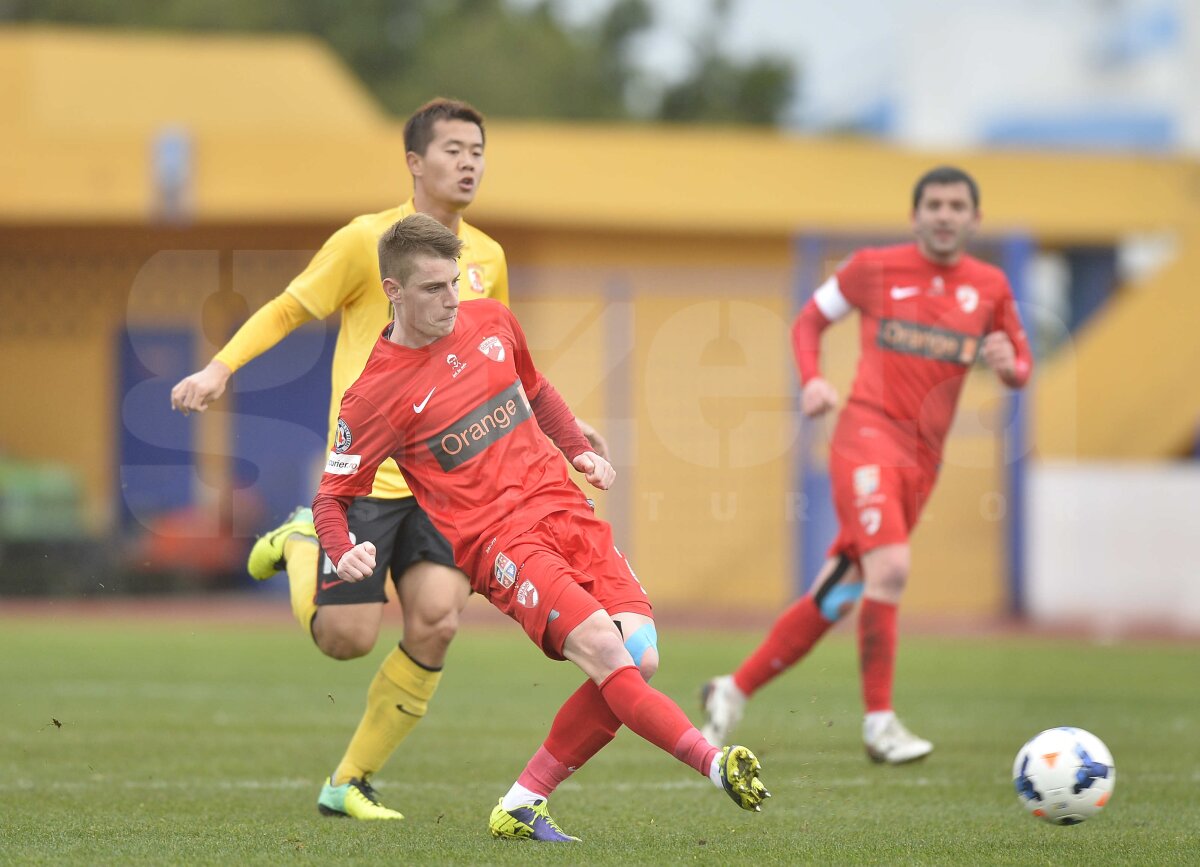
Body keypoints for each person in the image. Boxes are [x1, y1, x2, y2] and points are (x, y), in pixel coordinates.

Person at [170, 98, 605, 820]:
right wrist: (219, 368)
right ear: (414, 162)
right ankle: (303, 538)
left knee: (436, 619)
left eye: (478, 150)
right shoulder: (364, 242)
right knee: (346, 639)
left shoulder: (486, 257)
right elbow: (287, 308)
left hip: (448, 482)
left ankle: (348, 781)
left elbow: (493, 361)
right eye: (454, 149)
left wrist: (563, 427)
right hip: (369, 477)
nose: (470, 162)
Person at [313, 213, 770, 841]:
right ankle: (714, 763)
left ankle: (523, 802)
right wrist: (342, 551)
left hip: (565, 511)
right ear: (393, 291)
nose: (452, 300)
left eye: (453, 283)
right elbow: (331, 498)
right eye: (432, 289)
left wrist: (576, 448)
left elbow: (535, 387)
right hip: (501, 542)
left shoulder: (490, 321)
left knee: (641, 656)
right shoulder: (372, 397)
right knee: (608, 654)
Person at [701, 166, 1033, 764]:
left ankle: (731, 688)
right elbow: (809, 320)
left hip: (924, 462)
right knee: (893, 569)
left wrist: (1009, 366)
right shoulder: (873, 267)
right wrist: (812, 382)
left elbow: (1022, 365)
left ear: (974, 219)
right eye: (934, 203)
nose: (944, 214)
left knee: (838, 595)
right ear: (915, 215)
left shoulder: (990, 286)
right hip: (866, 435)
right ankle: (879, 724)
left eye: (957, 205)